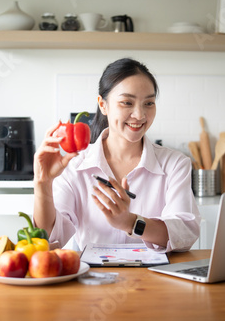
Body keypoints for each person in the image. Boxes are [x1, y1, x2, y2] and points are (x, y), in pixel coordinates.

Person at [33, 58, 200, 252]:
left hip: (156, 279)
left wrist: (130, 222)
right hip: (90, 279)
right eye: (127, 102)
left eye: (149, 103)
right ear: (103, 105)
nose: (139, 114)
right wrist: (43, 183)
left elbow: (184, 234)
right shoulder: (74, 164)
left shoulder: (174, 164)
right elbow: (49, 238)